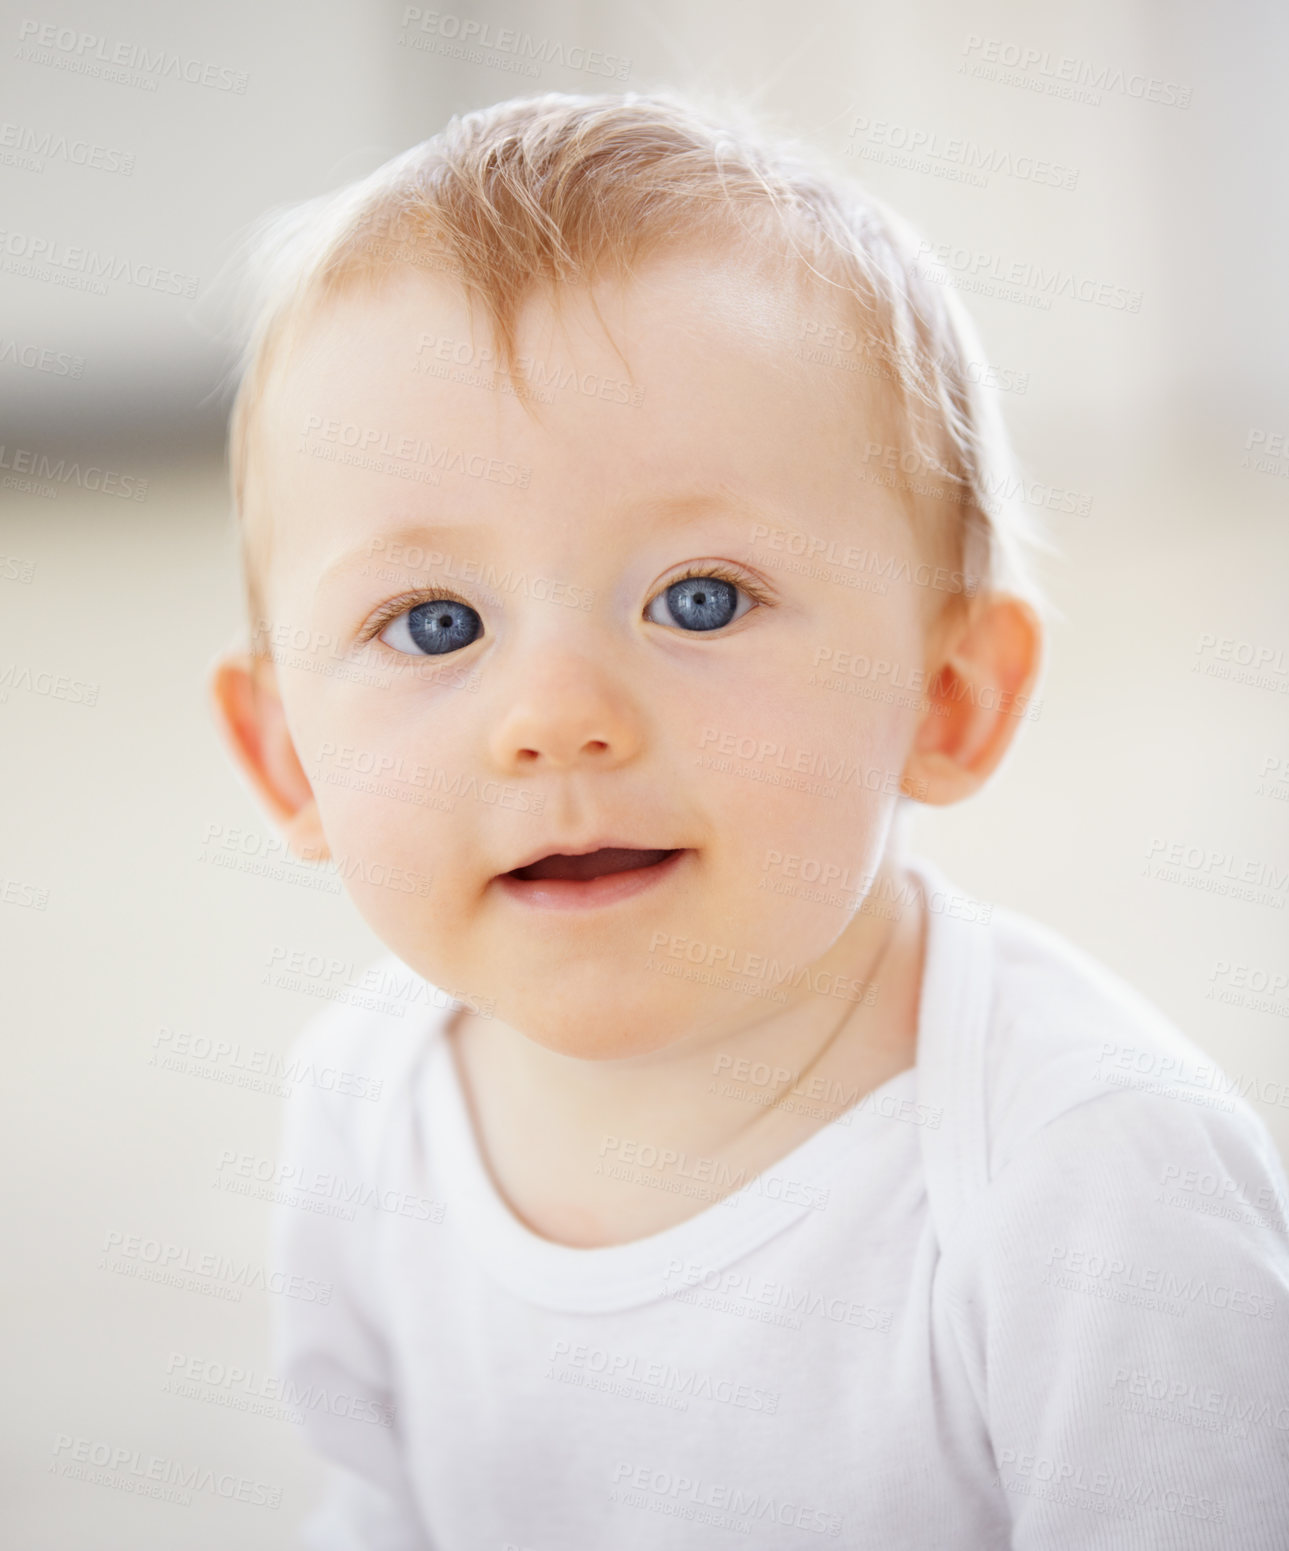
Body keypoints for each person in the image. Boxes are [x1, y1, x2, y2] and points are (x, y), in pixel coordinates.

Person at [208, 89, 1289, 1549]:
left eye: (697, 600)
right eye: (435, 621)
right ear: (285, 761)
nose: (556, 713)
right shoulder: (366, 1098)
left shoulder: (1087, 1176)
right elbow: (382, 1506)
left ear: (948, 697)